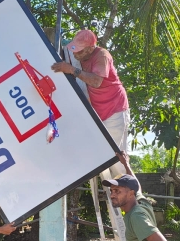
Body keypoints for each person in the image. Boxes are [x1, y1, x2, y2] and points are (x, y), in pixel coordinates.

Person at [51, 29, 130, 173]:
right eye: (74, 48)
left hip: (114, 109)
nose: (75, 53)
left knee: (114, 157)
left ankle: (128, 187)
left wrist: (71, 70)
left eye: (79, 50)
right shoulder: (78, 53)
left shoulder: (101, 55)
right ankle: (116, 186)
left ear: (90, 49)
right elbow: (65, 46)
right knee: (102, 155)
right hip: (99, 112)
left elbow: (96, 81)